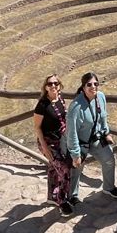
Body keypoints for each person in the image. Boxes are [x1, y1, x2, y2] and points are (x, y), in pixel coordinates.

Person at [63, 72, 117, 202]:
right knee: (76, 169)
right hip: (80, 143)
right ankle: (72, 196)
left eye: (96, 84)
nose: (93, 87)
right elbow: (71, 133)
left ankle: (108, 187)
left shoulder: (100, 97)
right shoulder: (76, 107)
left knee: (109, 160)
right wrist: (75, 154)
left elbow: (103, 117)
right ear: (83, 87)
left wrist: (106, 132)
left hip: (96, 139)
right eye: (89, 84)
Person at [32, 74, 75, 214]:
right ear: (45, 87)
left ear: (59, 85)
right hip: (48, 143)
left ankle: (52, 197)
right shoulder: (42, 105)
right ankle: (62, 202)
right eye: (50, 84)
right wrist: (44, 147)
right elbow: (37, 127)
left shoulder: (61, 99)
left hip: (60, 140)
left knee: (53, 169)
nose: (53, 86)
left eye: (56, 83)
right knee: (64, 170)